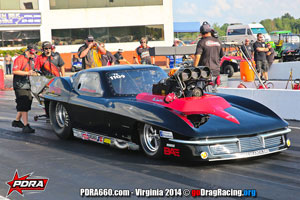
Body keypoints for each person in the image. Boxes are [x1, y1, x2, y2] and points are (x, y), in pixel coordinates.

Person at [12, 44, 37, 133]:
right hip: (19, 85)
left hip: (27, 84)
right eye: (34, 53)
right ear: (30, 51)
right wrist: (28, 73)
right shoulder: (19, 59)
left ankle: (17, 121)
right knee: (24, 103)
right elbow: (15, 71)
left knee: (28, 101)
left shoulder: (31, 60)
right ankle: (26, 125)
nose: (35, 55)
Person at [194, 21, 224, 91]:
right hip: (216, 72)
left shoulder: (201, 42)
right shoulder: (218, 41)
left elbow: (197, 56)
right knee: (214, 95)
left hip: (205, 73)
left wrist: (194, 69)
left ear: (201, 33)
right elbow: (221, 56)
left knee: (206, 95)